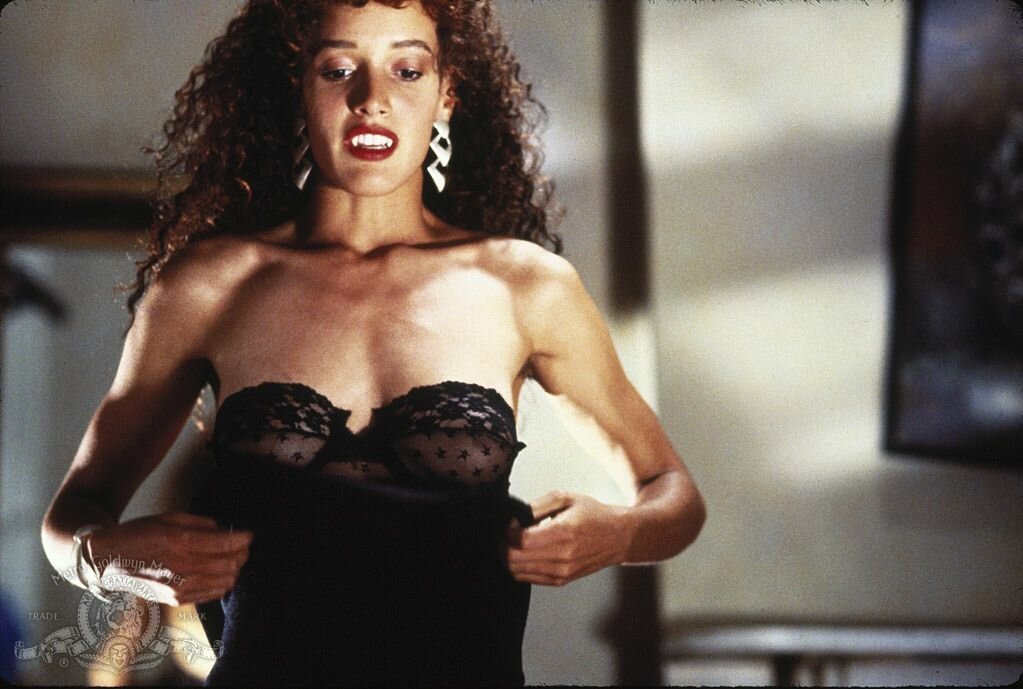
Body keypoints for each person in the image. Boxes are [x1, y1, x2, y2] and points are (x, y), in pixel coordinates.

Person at [41, 0, 705, 685]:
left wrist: (618, 534)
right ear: (297, 84)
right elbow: (69, 519)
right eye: (337, 69)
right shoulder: (210, 286)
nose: (371, 99)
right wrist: (107, 559)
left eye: (406, 70)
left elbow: (675, 495)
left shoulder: (525, 286)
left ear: (446, 93)